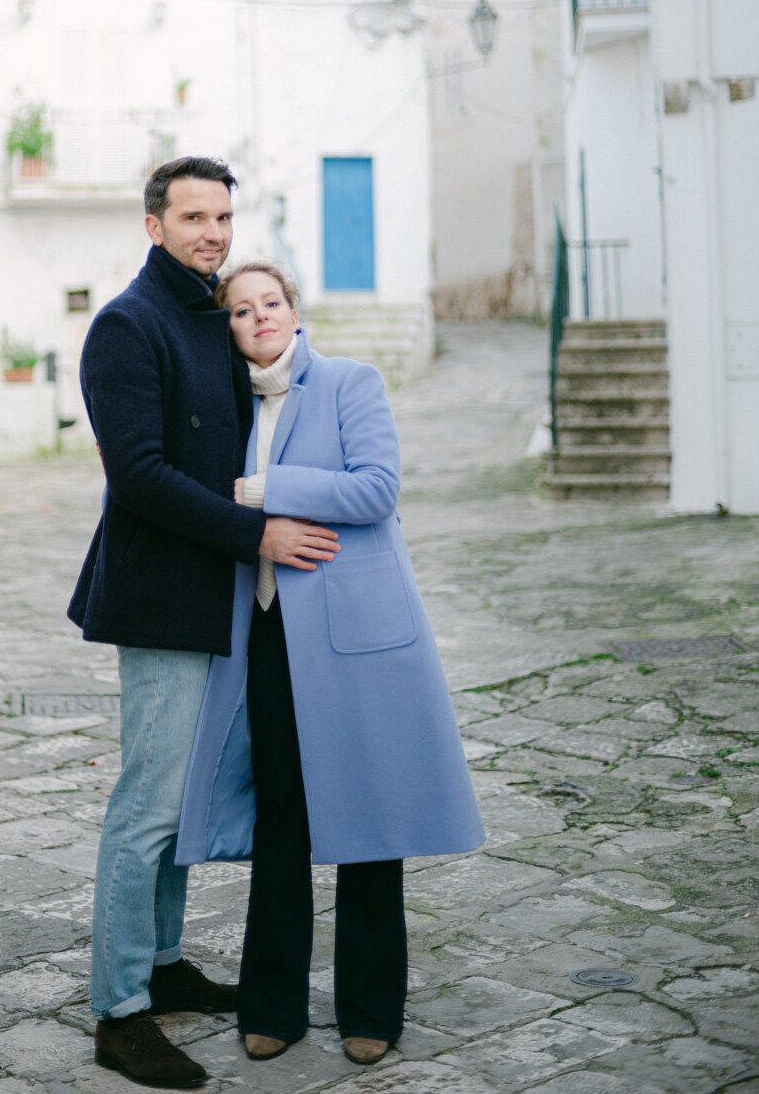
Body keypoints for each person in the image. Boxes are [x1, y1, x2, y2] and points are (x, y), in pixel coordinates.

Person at [68, 162, 342, 1090]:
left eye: (224, 215)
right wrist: (258, 531)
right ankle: (119, 1009)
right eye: (193, 216)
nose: (213, 231)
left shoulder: (214, 319)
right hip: (161, 596)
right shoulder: (126, 325)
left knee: (184, 802)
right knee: (145, 807)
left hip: (225, 595)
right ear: (155, 225)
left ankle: (162, 960)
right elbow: (138, 477)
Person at [176, 261, 485, 1068]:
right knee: (283, 817)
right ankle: (272, 1003)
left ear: (294, 310)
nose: (260, 318)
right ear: (229, 328)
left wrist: (267, 489)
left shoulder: (351, 381)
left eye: (271, 303)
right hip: (270, 636)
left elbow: (377, 488)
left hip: (357, 639)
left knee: (372, 821)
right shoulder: (227, 404)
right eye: (241, 311)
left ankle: (371, 1008)